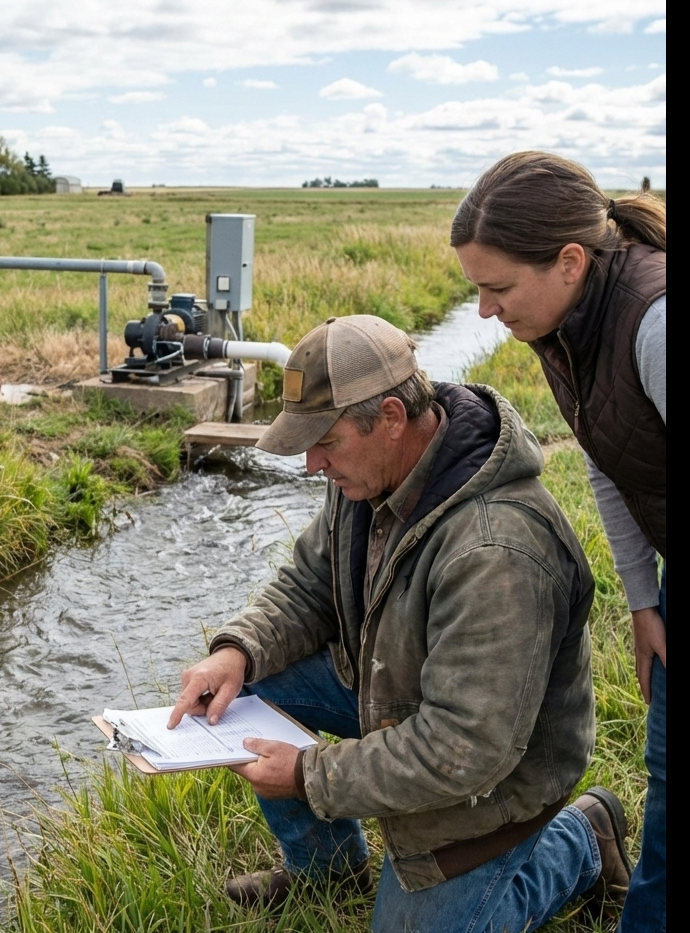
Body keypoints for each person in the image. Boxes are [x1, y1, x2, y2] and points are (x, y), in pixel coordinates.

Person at [168, 314, 631, 933]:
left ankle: (581, 839)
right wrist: (238, 650)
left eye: (324, 444)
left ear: (390, 418)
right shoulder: (369, 474)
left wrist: (309, 778)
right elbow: (311, 583)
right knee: (244, 687)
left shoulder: (496, 548)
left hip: (495, 776)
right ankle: (328, 869)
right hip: (396, 694)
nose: (311, 465)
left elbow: (464, 748)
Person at [450, 151, 665, 933]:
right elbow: (612, 464)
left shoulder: (655, 322)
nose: (482, 310)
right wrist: (642, 600)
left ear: (569, 261)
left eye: (497, 287)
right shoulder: (566, 326)